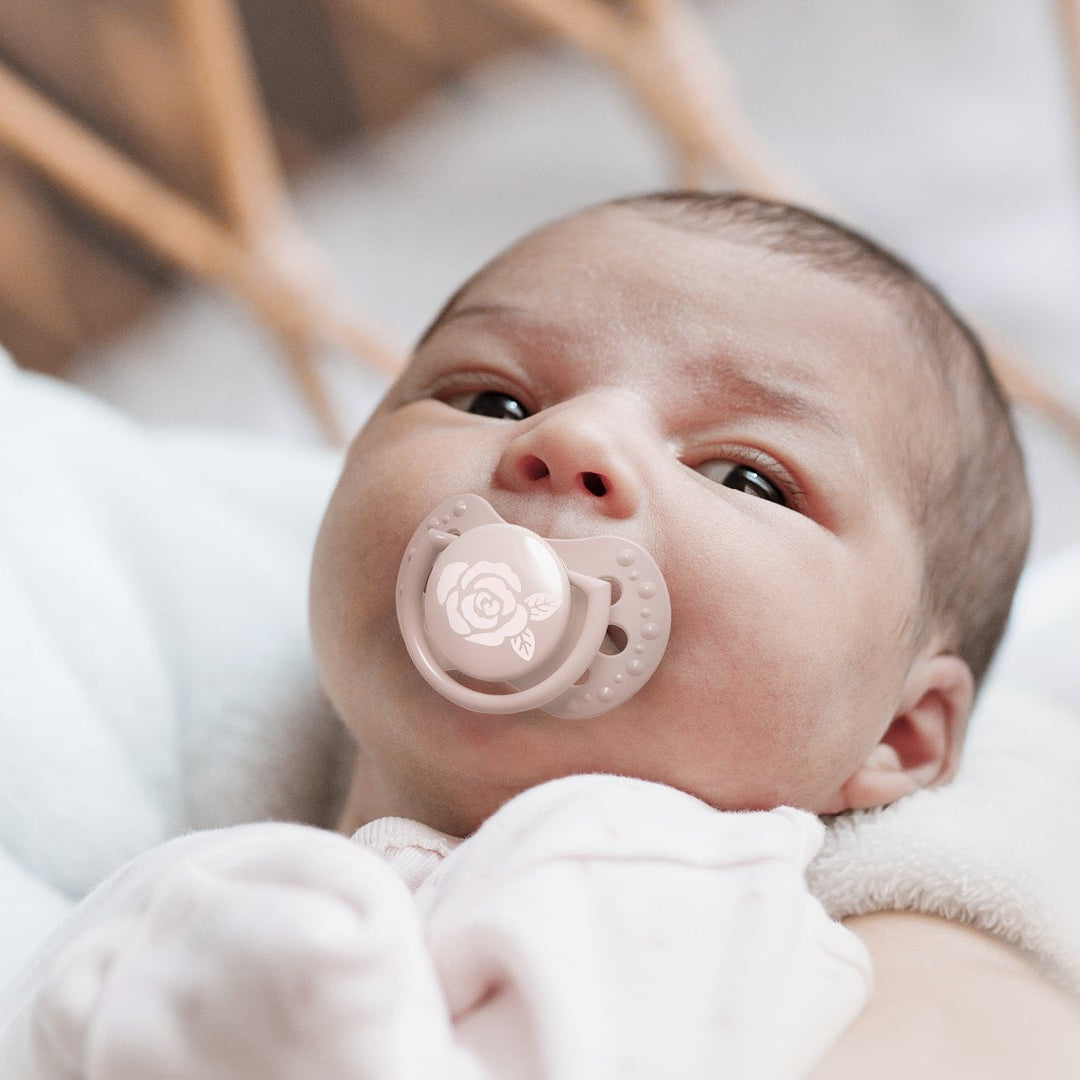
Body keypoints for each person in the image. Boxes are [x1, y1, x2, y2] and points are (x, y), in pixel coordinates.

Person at [2, 192, 1074, 1078]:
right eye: (492, 399)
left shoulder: (776, 932)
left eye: (745, 475)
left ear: (898, 737)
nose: (572, 438)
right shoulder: (179, 908)